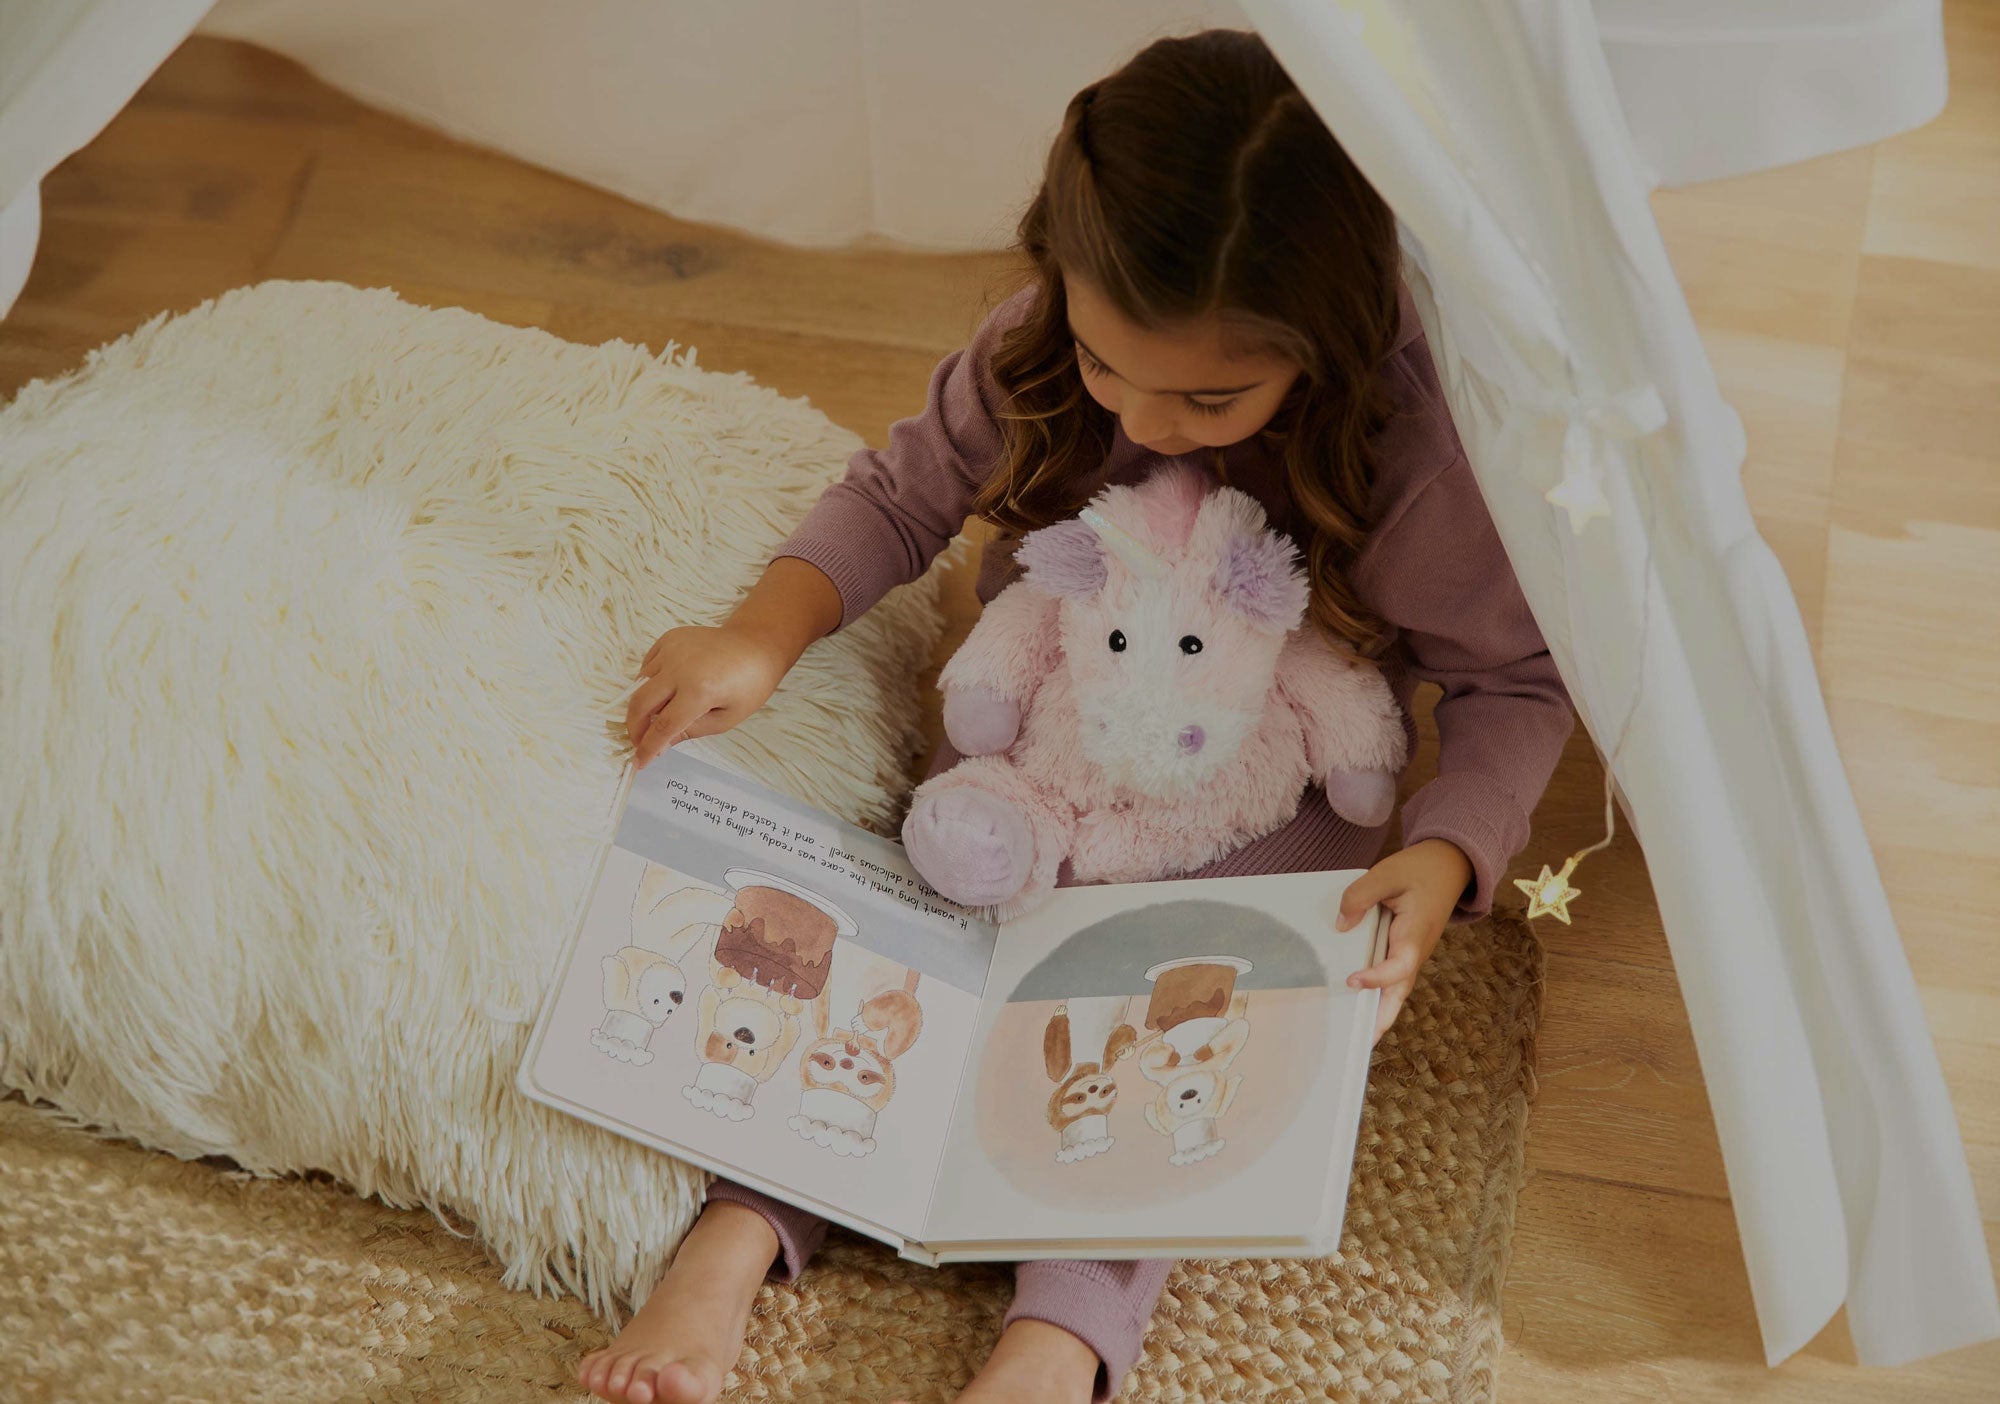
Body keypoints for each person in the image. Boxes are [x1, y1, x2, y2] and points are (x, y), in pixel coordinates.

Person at [579, 28, 1571, 1404]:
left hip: (1261, 788)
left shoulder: (1417, 450)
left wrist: (1448, 852)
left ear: (1326, 344)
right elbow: (901, 493)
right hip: (1039, 738)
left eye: (1209, 397)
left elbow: (1513, 681)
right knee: (906, 928)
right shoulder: (1047, 341)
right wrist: (762, 634)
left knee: (1179, 1032)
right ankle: (740, 1234)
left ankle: (1057, 1340)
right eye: (1112, 370)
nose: (1151, 422)